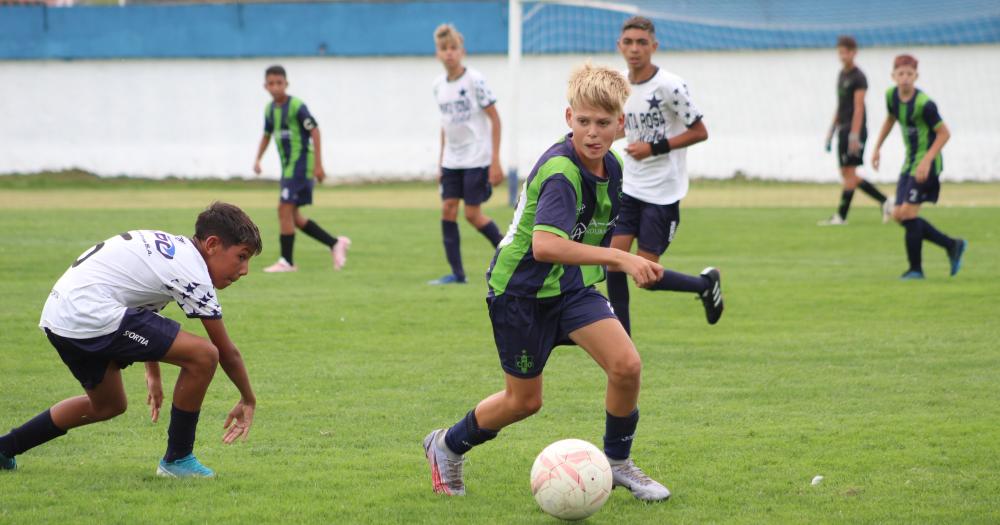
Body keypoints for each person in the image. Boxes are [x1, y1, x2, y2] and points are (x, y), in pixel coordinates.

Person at [423, 63, 671, 502]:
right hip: (519, 293)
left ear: (621, 123)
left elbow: (586, 238)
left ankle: (616, 464)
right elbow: (545, 246)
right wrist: (622, 258)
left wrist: (634, 263)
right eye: (583, 121)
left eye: (603, 123)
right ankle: (446, 444)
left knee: (626, 365)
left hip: (568, 288)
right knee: (524, 402)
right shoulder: (562, 172)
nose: (592, 133)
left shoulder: (611, 167)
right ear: (568, 118)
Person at [0, 202, 261, 477]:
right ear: (212, 244)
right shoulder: (192, 271)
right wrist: (248, 398)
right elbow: (225, 351)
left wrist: (154, 373)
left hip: (61, 317)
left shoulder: (174, 252)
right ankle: (177, 460)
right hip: (89, 314)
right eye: (241, 256)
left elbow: (143, 311)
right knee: (204, 355)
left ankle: (5, 447)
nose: (244, 270)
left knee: (108, 405)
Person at [607, 16, 723, 334]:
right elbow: (621, 128)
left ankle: (703, 284)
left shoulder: (670, 86)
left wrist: (653, 148)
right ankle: (622, 341)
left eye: (642, 43)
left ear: (654, 47)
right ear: (619, 46)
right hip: (628, 186)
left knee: (646, 276)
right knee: (612, 262)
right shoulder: (618, 83)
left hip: (662, 192)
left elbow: (700, 131)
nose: (634, 49)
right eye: (628, 42)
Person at [872, 54, 966, 279]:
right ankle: (952, 245)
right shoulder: (891, 95)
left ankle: (916, 269)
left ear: (916, 76)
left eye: (909, 74)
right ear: (893, 76)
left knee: (907, 213)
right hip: (909, 162)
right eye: (900, 74)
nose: (905, 78)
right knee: (898, 214)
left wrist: (927, 160)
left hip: (927, 165)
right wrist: (877, 147)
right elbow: (891, 118)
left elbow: (944, 133)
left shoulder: (925, 104)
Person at [253, 64, 350, 273]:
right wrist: (258, 159)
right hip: (288, 168)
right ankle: (335, 243)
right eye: (271, 83)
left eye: (279, 83)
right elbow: (267, 135)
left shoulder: (297, 106)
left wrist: (319, 165)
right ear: (265, 86)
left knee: (283, 209)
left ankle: (286, 261)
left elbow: (314, 130)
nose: (275, 87)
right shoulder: (270, 110)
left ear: (286, 84)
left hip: (301, 165)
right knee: (293, 217)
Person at [429, 24, 505, 285]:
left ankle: (511, 253)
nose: (449, 53)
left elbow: (495, 120)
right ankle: (457, 274)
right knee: (448, 210)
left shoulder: (475, 80)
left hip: (476, 158)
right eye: (443, 49)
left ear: (462, 51)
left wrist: (495, 160)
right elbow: (445, 125)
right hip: (452, 160)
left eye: (453, 48)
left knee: (472, 215)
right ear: (438, 53)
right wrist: (441, 162)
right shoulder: (438, 85)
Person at [819, 35, 893, 226]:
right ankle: (885, 201)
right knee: (846, 174)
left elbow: (859, 107)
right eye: (840, 53)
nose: (843, 56)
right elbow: (840, 105)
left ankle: (841, 216)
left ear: (854, 53)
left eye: (846, 52)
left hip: (855, 131)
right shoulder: (841, 74)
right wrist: (831, 130)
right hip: (843, 129)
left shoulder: (859, 77)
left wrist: (854, 133)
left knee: (850, 174)